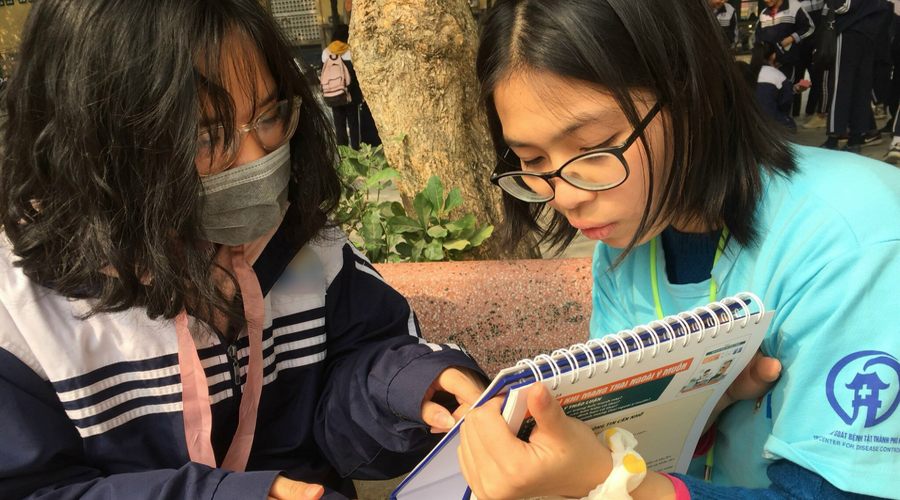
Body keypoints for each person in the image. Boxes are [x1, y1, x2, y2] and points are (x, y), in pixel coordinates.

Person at [0, 1, 485, 499]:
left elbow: (359, 358)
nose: (259, 160)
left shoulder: (306, 252)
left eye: (270, 116)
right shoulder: (19, 318)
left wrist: (402, 387)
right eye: (205, 135)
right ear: (93, 145)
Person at [460, 0, 900, 499]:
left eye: (594, 147)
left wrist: (609, 482)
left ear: (692, 91)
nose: (567, 196)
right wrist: (708, 400)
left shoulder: (856, 242)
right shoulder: (631, 241)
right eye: (532, 159)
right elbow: (624, 431)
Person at [822, 0, 887, 152]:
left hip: (847, 31)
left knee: (839, 85)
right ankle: (856, 139)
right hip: (868, 36)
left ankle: (833, 137)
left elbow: (843, 5)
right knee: (861, 89)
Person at [749, 40, 812, 130]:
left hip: (747, 122)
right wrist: (794, 90)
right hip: (769, 125)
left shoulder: (746, 72)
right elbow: (785, 104)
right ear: (774, 56)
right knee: (791, 125)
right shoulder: (778, 75)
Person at [322, 24, 363, 150]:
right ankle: (356, 150)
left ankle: (343, 153)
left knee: (339, 125)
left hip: (333, 95)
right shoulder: (350, 52)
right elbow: (356, 76)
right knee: (354, 125)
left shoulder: (326, 52)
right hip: (351, 95)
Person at [755, 0, 816, 84]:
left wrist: (790, 38)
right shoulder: (763, 14)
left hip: (792, 64)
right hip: (771, 68)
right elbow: (758, 41)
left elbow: (809, 28)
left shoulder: (794, 7)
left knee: (791, 92)